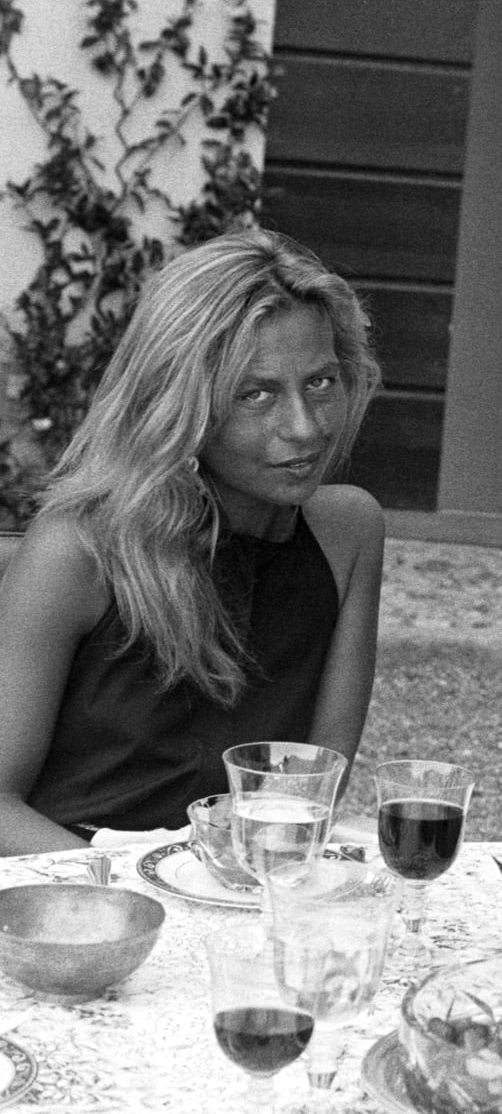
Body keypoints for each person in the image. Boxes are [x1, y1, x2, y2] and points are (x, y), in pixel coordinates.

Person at [0, 228, 385, 855]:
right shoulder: (79, 551)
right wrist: (140, 893)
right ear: (183, 405)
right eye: (256, 394)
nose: (305, 427)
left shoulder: (348, 534)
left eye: (320, 383)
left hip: (244, 894)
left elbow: (313, 794)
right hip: (83, 906)